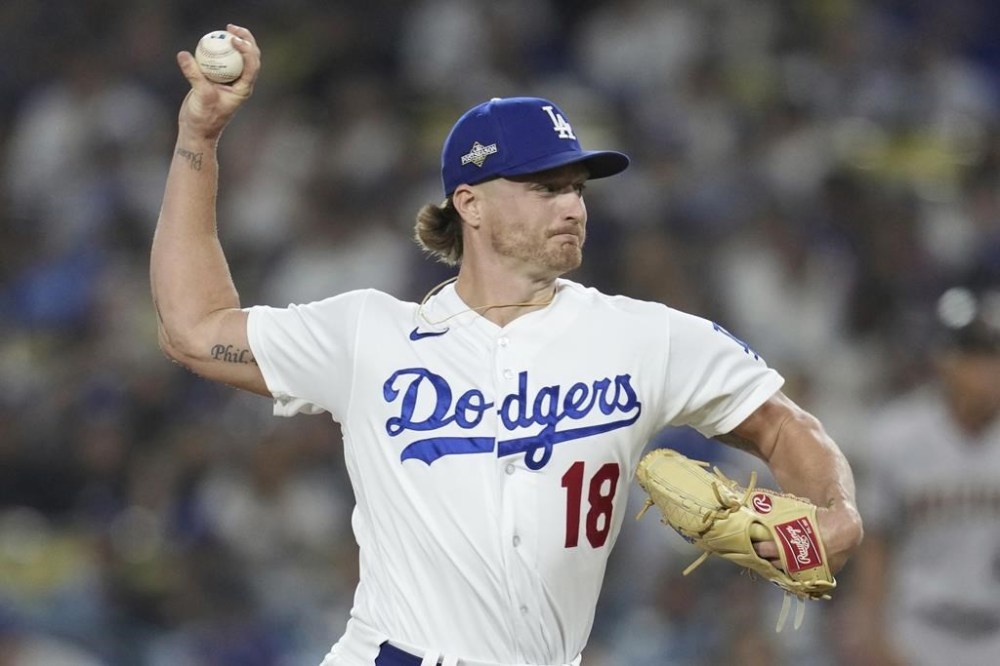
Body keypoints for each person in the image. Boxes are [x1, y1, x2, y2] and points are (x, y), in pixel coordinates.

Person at [151, 25, 863, 666]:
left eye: (577, 187)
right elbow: (194, 328)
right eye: (545, 186)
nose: (574, 205)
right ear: (471, 203)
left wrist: (833, 518)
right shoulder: (369, 335)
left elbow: (783, 425)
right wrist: (200, 140)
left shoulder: (645, 336)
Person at [847, 275, 1000, 666]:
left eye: (993, 354)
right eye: (975, 354)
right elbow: (875, 546)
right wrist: (873, 633)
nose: (988, 369)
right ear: (945, 360)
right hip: (919, 633)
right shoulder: (895, 436)